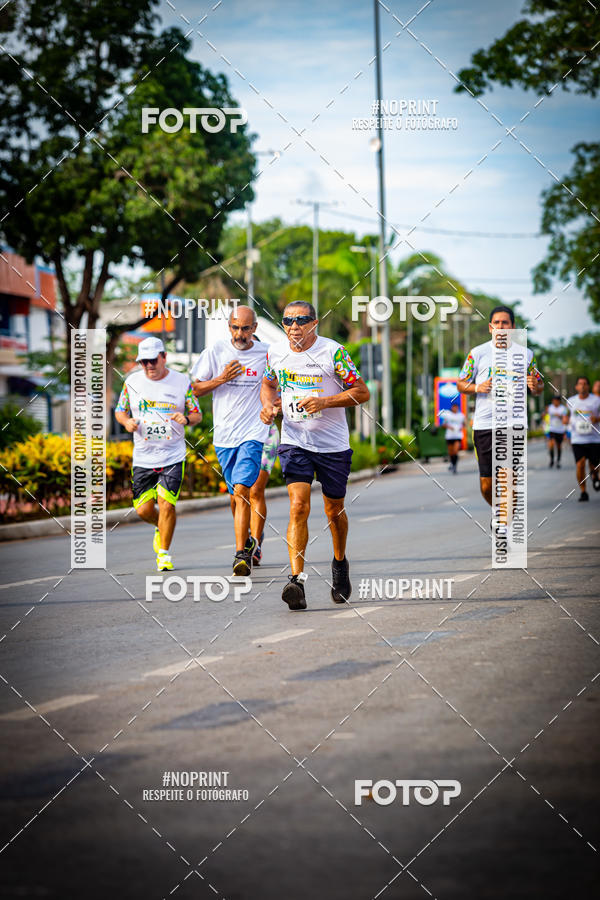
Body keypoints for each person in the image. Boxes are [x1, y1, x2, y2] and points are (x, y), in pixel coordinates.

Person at [260, 301, 370, 611]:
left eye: (301, 320)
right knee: (298, 507)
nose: (294, 326)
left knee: (334, 509)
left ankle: (339, 562)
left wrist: (325, 402)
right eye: (288, 321)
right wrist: (268, 407)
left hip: (333, 445)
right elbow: (268, 384)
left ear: (314, 323)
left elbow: (362, 392)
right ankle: (297, 580)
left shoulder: (332, 352)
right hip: (295, 440)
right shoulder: (276, 352)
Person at [191, 306, 268, 575]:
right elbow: (195, 389)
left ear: (254, 329)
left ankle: (240, 555)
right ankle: (247, 540)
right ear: (229, 327)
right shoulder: (215, 351)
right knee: (235, 498)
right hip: (224, 436)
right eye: (235, 327)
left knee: (243, 491)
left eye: (246, 328)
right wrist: (221, 378)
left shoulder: (266, 353)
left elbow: (278, 384)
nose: (240, 333)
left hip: (254, 433)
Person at [115, 337, 202, 571]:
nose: (149, 366)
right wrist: (127, 423)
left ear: (163, 357)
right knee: (143, 509)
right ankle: (159, 526)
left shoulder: (181, 381)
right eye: (143, 362)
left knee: (167, 505)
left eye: (153, 360)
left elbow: (196, 413)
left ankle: (163, 553)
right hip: (143, 456)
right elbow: (120, 411)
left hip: (172, 455)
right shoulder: (132, 381)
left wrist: (186, 419)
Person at [457, 305, 543, 521]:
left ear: (513, 327)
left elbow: (539, 384)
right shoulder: (477, 354)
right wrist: (478, 387)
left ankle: (503, 525)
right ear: (490, 327)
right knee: (487, 484)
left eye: (505, 323)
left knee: (507, 478)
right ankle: (498, 510)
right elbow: (460, 384)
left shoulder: (526, 354)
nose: (501, 327)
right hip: (485, 425)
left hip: (514, 423)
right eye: (497, 323)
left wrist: (535, 386)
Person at [249, 420, 280, 566]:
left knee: (256, 490)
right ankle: (246, 538)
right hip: (236, 434)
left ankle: (255, 545)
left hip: (267, 433)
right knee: (238, 495)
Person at [564, 376, 600, 502]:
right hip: (577, 438)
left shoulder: (596, 400)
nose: (583, 386)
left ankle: (595, 477)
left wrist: (597, 419)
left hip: (594, 438)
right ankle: (583, 492)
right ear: (576, 387)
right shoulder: (571, 401)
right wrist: (565, 419)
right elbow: (566, 415)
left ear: (588, 386)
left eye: (585, 384)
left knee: (594, 465)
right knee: (580, 465)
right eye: (580, 384)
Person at [440, 401, 465, 473]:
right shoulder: (448, 415)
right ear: (452, 408)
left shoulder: (461, 416)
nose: (455, 409)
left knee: (455, 451)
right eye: (454, 407)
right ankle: (452, 463)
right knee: (451, 452)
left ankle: (454, 466)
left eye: (456, 407)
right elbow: (443, 425)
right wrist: (449, 427)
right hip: (449, 436)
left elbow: (464, 424)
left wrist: (461, 427)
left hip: (458, 435)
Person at [546, 395, 567, 468]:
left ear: (559, 401)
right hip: (552, 429)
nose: (554, 402)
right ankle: (551, 460)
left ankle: (558, 460)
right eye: (553, 401)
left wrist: (560, 416)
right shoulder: (550, 408)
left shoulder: (563, 408)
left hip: (560, 430)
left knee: (558, 446)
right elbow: (546, 414)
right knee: (551, 444)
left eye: (556, 401)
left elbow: (565, 418)